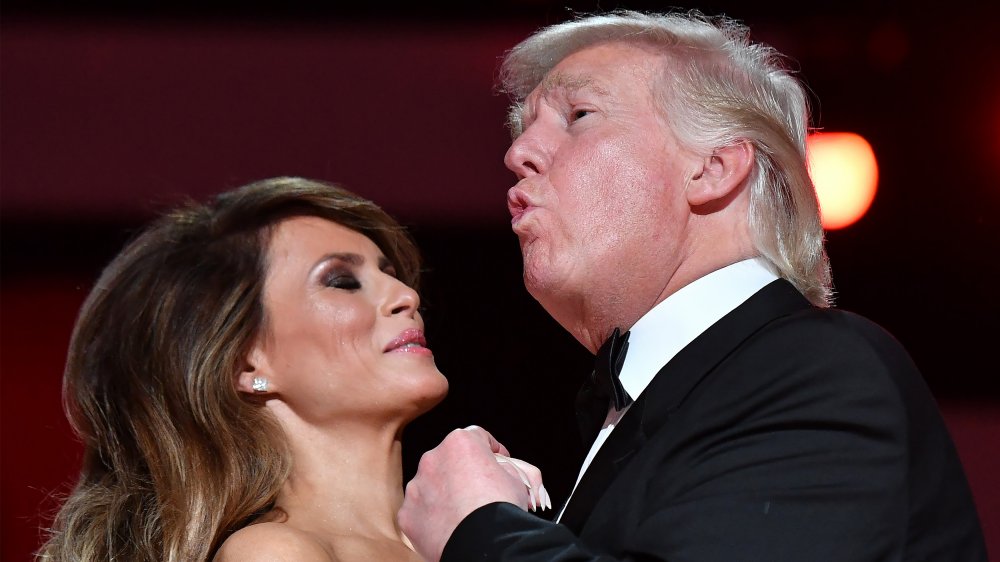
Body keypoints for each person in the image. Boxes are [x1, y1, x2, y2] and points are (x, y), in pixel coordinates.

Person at [398, 9, 988, 561]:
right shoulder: (685, 396)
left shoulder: (819, 368)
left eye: (578, 116)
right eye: (523, 129)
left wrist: (478, 529)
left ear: (713, 167)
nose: (518, 153)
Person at [37, 177, 461, 561]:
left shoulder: (463, 537)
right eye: (341, 282)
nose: (405, 294)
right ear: (245, 361)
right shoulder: (275, 552)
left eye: (391, 273)